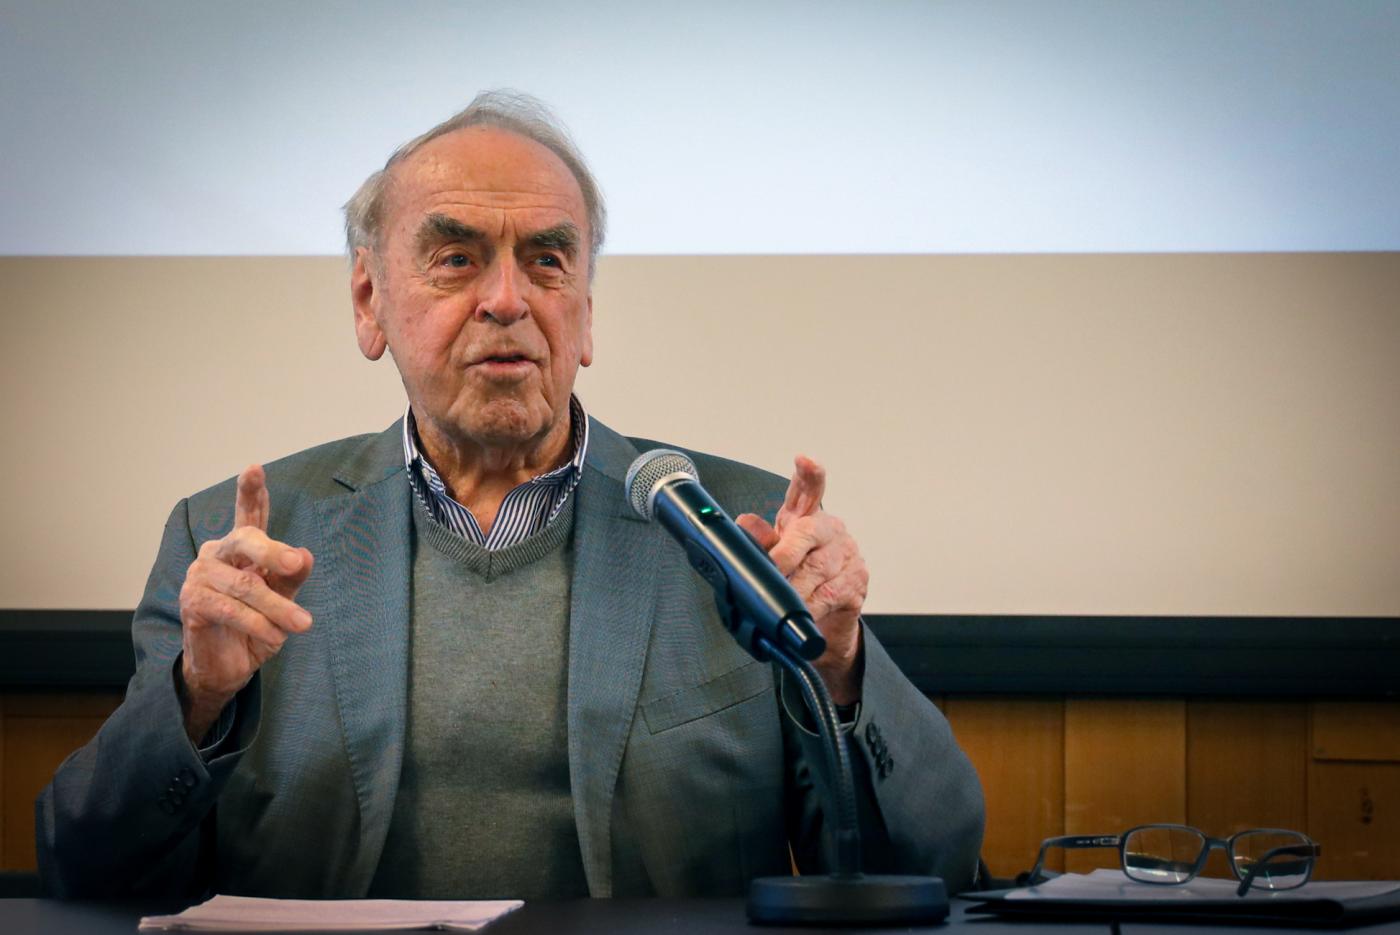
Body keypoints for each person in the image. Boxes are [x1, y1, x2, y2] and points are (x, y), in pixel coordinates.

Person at [37, 91, 984, 900]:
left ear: (585, 314)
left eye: (547, 259)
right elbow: (85, 866)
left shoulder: (737, 531)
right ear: (368, 301)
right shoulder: (239, 541)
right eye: (455, 258)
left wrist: (842, 665)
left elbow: (935, 858)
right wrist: (197, 699)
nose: (506, 299)